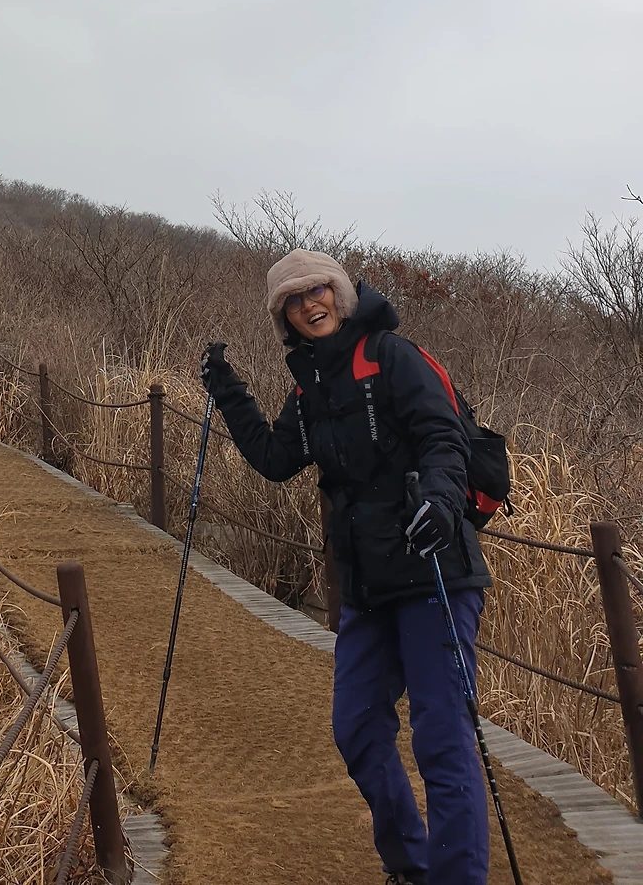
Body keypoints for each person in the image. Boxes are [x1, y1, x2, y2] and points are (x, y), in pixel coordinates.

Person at [200, 248, 491, 885]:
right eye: (294, 301)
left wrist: (442, 502)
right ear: (284, 317)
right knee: (357, 728)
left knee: (441, 740)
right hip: (367, 585)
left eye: (318, 291)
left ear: (340, 294)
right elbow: (276, 458)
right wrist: (228, 393)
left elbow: (442, 436)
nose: (310, 305)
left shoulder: (391, 356)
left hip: (434, 571)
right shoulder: (310, 386)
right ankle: (411, 866)